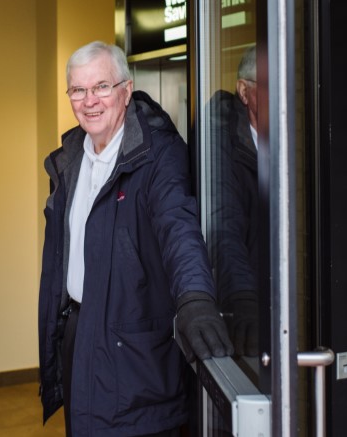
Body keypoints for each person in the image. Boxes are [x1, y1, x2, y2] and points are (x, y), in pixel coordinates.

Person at [38, 41, 234, 437]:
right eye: (78, 90)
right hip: (79, 334)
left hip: (134, 349)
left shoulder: (156, 153)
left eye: (102, 87)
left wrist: (195, 298)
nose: (89, 101)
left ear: (126, 91)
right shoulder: (70, 159)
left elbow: (178, 225)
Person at [207, 45, 259, 360]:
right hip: (241, 310)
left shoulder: (298, 136)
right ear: (244, 90)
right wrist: (244, 299)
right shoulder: (220, 140)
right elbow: (223, 227)